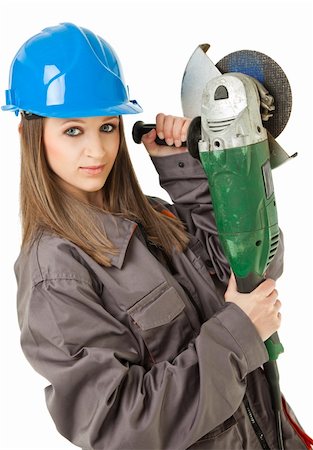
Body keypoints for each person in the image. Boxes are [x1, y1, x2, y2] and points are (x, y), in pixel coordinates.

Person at [2, 22, 308, 450]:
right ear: (29, 134)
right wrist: (240, 333)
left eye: (107, 127)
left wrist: (189, 172)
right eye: (73, 130)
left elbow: (254, 273)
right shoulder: (55, 274)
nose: (96, 150)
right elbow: (122, 426)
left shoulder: (152, 216)